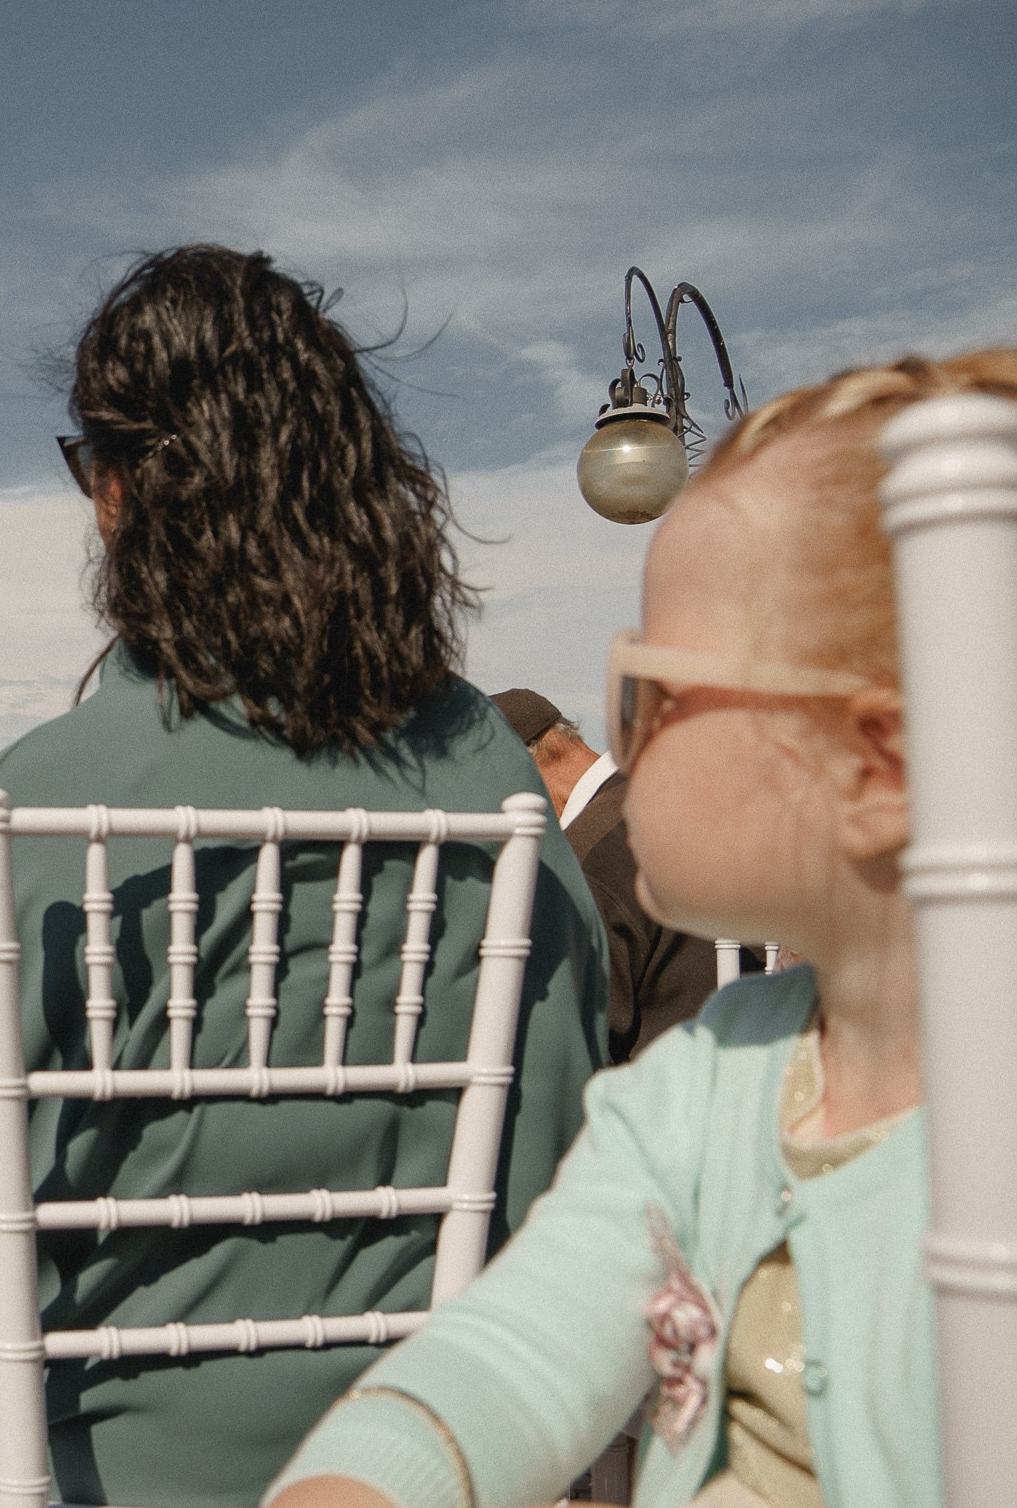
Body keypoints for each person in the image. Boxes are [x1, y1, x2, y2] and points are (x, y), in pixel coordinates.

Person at [0, 246, 607, 1506]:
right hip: (427, 1411)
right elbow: (560, 1125)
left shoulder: (42, 795)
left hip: (81, 1421)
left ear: (122, 492)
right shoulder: (495, 778)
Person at [268, 349, 1017, 1508]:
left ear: (880, 765)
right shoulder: (712, 1081)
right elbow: (508, 1362)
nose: (627, 737)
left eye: (650, 691)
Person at [491, 687, 720, 1061]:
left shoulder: (586, 855)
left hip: (656, 1092)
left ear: (520, 770)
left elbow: (579, 1032)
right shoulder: (672, 795)